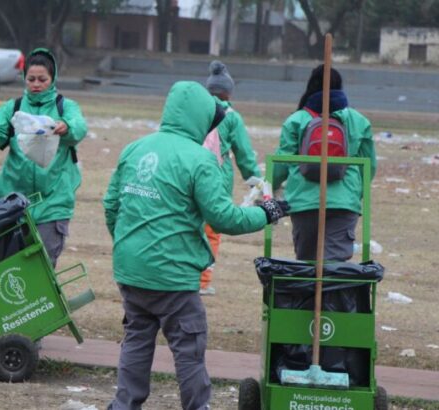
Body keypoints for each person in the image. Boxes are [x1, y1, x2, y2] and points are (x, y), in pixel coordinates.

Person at [103, 81, 289, 410]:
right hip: (173, 276)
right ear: (201, 118)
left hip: (131, 270)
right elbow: (223, 218)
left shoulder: (134, 149)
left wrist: (127, 245)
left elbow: (111, 207)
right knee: (189, 350)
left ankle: (123, 405)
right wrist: (265, 213)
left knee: (136, 340)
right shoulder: (200, 160)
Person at [0, 48, 87, 268]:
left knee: (42, 268)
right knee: (10, 267)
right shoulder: (14, 107)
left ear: (53, 78)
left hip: (53, 203)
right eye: (31, 79)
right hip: (13, 203)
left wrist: (66, 128)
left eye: (42, 79)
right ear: (24, 78)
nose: (36, 84)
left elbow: (79, 127)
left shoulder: (65, 107)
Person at [273, 64, 376, 262]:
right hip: (343, 202)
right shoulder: (359, 121)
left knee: (307, 265)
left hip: (304, 202)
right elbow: (369, 166)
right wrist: (354, 193)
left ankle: (310, 294)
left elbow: (281, 164)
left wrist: (271, 187)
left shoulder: (296, 120)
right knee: (334, 268)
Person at [199, 60, 263, 296]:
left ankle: (183, 275)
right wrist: (255, 180)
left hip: (188, 176)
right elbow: (244, 154)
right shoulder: (231, 117)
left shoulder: (196, 110)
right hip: (217, 179)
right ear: (227, 91)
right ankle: (203, 280)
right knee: (212, 229)